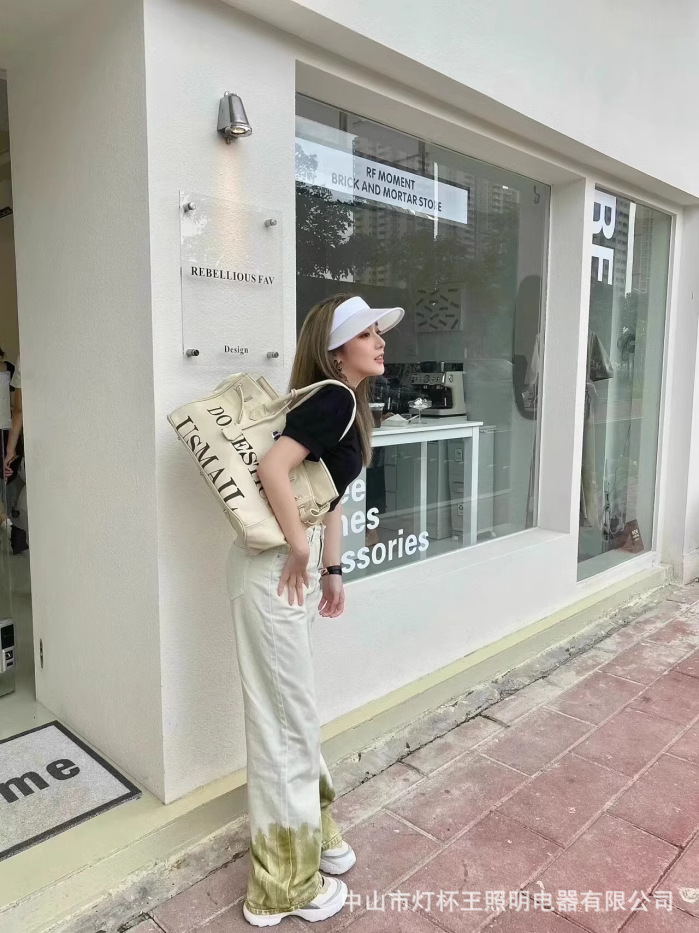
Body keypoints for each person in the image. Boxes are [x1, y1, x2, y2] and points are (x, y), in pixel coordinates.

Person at [226, 293, 403, 926]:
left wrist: (332, 568)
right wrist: (302, 550)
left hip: (285, 576)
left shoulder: (345, 404)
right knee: (283, 724)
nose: (380, 342)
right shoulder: (332, 398)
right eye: (367, 333)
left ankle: (316, 836)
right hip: (274, 572)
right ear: (335, 348)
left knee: (293, 717)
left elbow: (326, 495)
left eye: (379, 333)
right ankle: (281, 886)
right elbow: (274, 468)